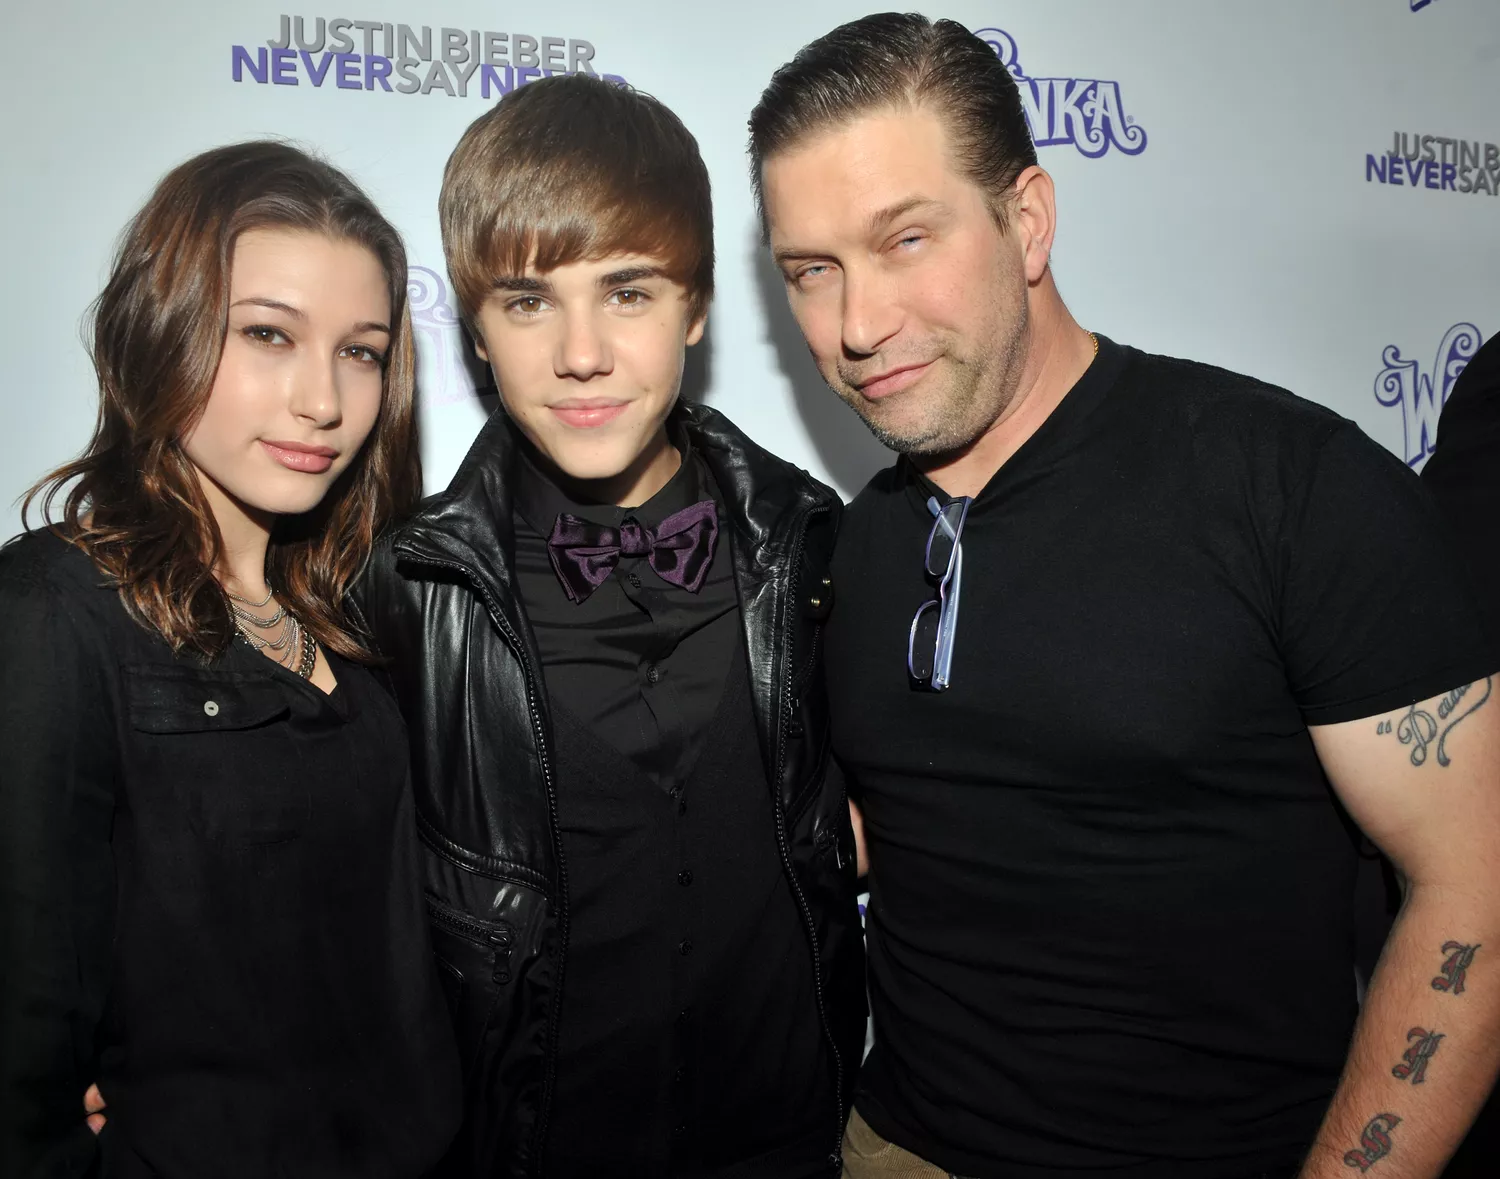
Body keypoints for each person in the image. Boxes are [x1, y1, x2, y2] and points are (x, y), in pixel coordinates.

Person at [749, 14, 1500, 1179]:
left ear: (1028, 220)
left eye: (905, 241)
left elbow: (1478, 889)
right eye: (813, 271)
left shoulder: (1285, 485)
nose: (857, 325)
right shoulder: (842, 551)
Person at [351, 75, 864, 1178]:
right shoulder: (408, 593)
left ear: (696, 307)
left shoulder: (816, 549)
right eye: (529, 301)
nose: (580, 354)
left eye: (627, 293)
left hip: (792, 1148)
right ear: (476, 328)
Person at [0, 142, 461, 1177]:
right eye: (267, 335)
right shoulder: (55, 613)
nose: (322, 402)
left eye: (362, 350)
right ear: (162, 332)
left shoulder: (365, 610)